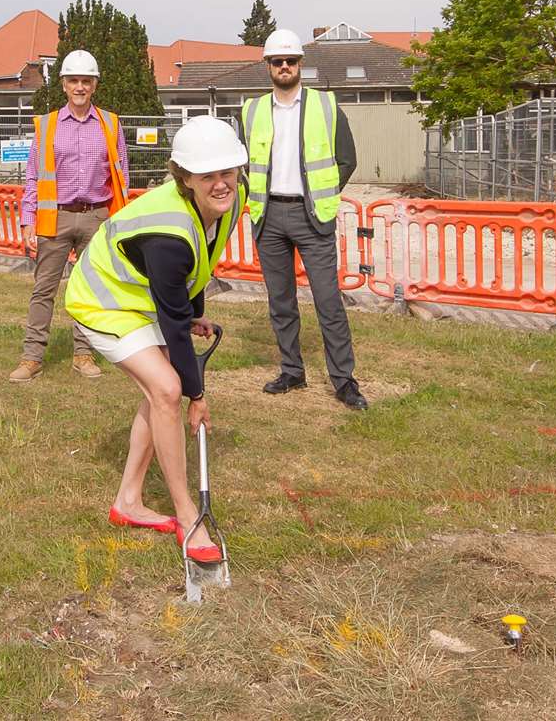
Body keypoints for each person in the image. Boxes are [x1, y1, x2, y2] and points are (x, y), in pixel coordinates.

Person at [64, 117, 247, 561]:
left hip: (140, 298)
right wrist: (197, 395)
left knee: (160, 390)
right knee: (168, 388)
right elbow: (172, 315)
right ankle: (188, 516)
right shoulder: (166, 236)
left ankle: (128, 501)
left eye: (228, 171)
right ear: (185, 178)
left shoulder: (232, 201)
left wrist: (195, 310)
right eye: (208, 176)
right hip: (101, 301)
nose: (221, 184)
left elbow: (202, 257)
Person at [239, 28, 367, 411]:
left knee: (329, 302)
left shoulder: (326, 107)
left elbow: (347, 159)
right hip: (268, 216)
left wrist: (322, 195)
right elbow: (243, 164)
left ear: (300, 64)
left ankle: (344, 381)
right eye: (277, 61)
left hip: (312, 217)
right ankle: (291, 370)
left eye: (290, 61)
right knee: (281, 302)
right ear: (268, 66)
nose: (283, 67)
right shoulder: (251, 111)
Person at [9, 49, 130, 383]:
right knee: (43, 289)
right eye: (74, 81)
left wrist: (117, 221)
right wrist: (28, 219)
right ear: (63, 85)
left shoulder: (110, 123)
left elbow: (122, 175)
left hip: (97, 217)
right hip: (56, 217)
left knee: (90, 290)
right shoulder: (47, 126)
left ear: (94, 85)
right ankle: (32, 357)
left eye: (86, 81)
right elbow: (33, 177)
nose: (80, 87)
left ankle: (83, 354)